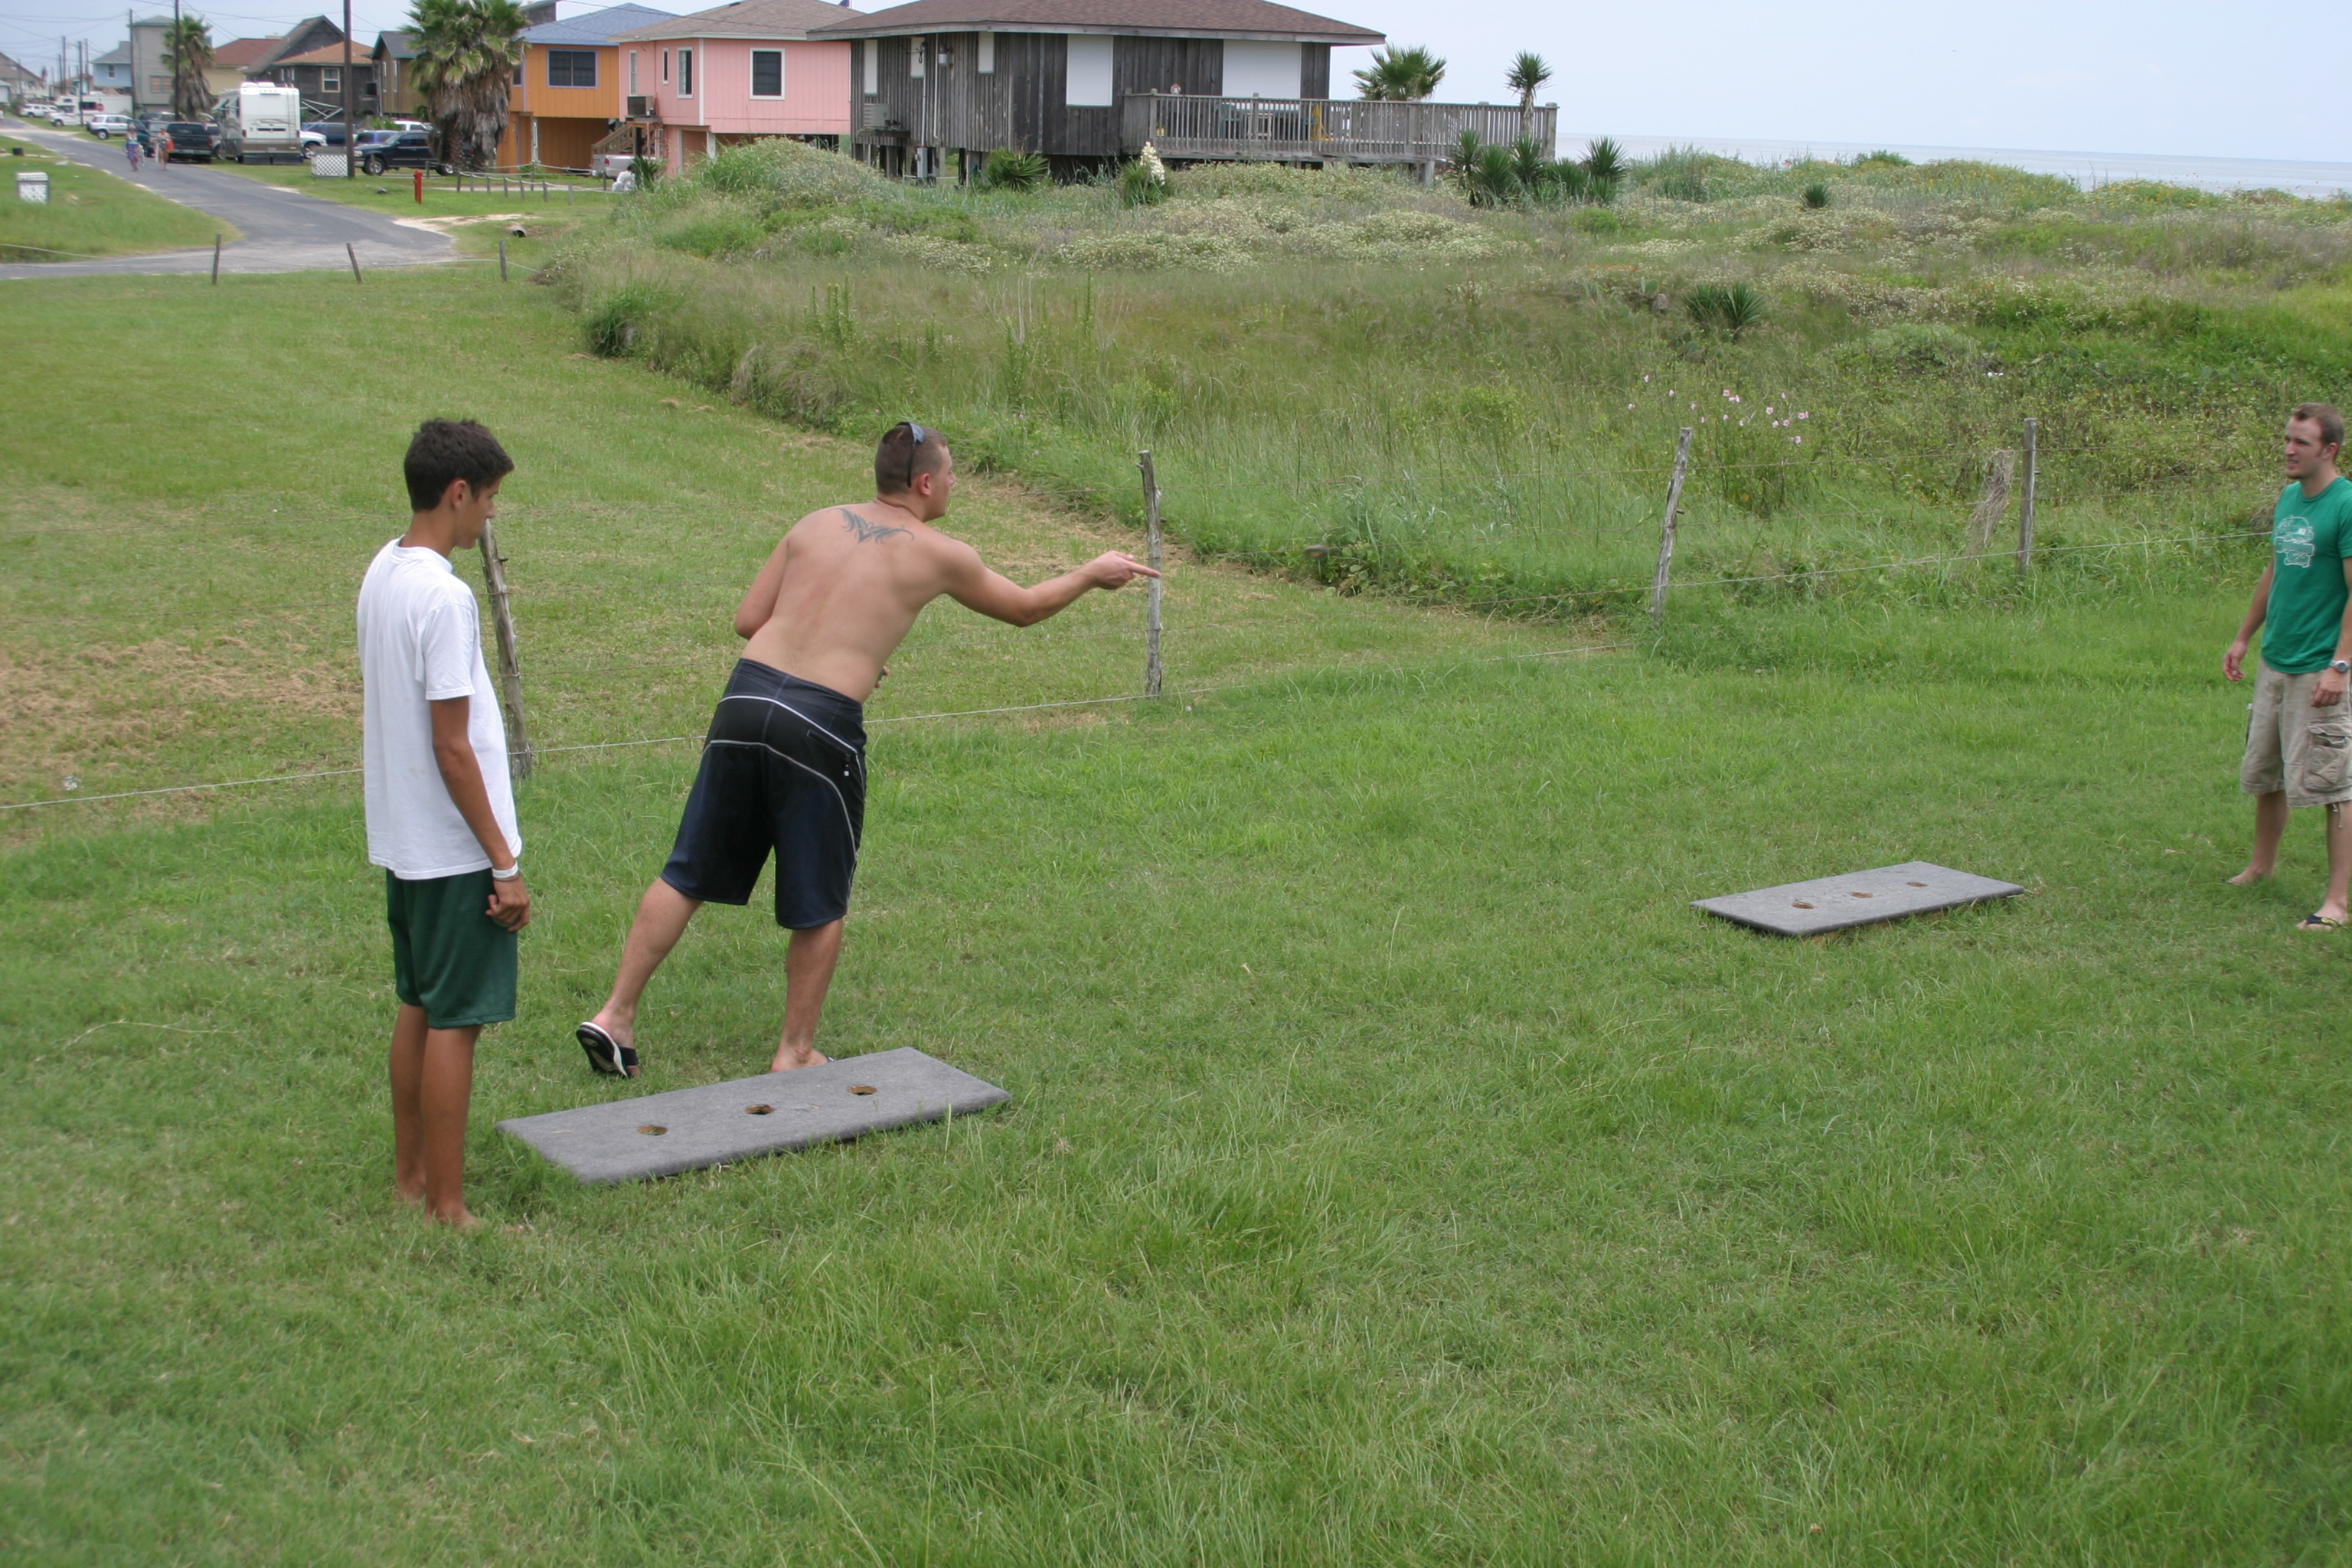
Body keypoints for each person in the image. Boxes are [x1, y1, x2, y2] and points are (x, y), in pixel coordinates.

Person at [577, 421, 1159, 1077]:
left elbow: (749, 621)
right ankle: (795, 1052)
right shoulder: (941, 552)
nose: (956, 483)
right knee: (819, 896)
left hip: (745, 699)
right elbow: (1023, 610)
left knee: (687, 870)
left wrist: (839, 644)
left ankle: (615, 1015)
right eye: (953, 473)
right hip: (818, 724)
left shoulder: (814, 522)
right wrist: (1090, 572)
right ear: (926, 483)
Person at [358, 420, 531, 1228]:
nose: (490, 516)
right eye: (490, 498)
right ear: (458, 492)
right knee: (456, 1021)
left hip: (403, 842)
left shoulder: (383, 570)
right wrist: (503, 860)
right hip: (453, 849)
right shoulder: (445, 594)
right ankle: (448, 1208)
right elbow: (452, 746)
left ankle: (410, 1177)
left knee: (418, 1005)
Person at [2226, 401, 2352, 928]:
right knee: (2268, 771)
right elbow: (2274, 571)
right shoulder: (2288, 498)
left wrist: (2340, 665)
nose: (2288, 449)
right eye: (2286, 439)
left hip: (2320, 667)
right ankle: (2261, 866)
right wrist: (2243, 636)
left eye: (2300, 442)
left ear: (2330, 449)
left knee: (2334, 786)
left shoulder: (2345, 505)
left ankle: (2336, 903)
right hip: (2277, 659)